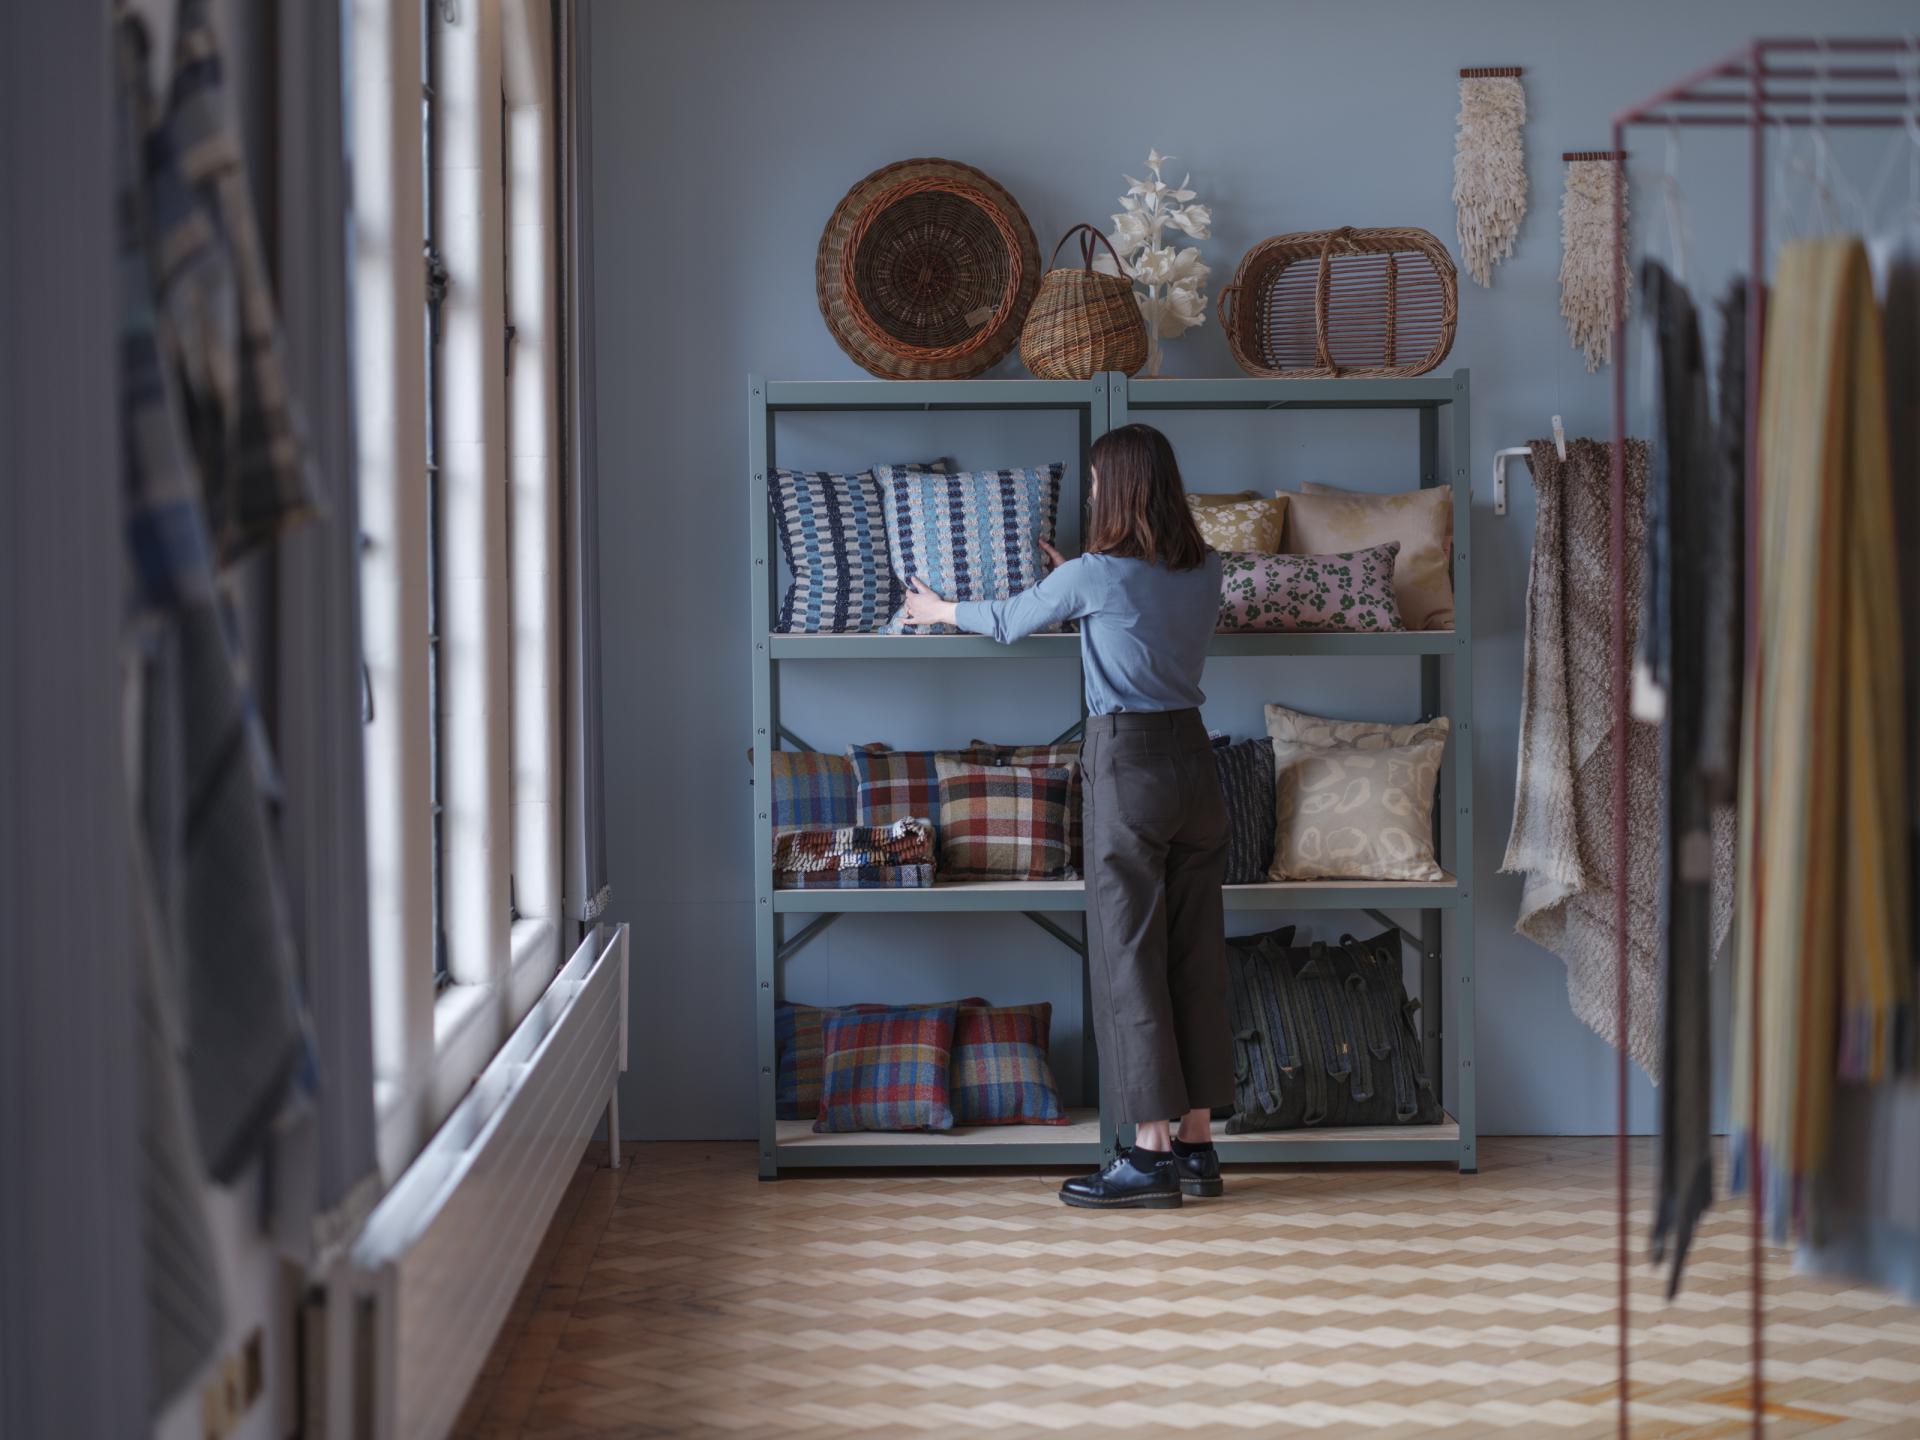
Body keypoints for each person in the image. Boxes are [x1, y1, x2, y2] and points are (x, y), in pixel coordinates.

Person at [901, 423, 1231, 1210]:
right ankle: (1197, 1145)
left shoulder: (1094, 575)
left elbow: (1014, 619)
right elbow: (1133, 608)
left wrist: (940, 608)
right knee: (1196, 957)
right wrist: (1071, 580)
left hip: (1131, 764)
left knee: (1129, 956)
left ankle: (1147, 1155)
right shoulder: (1207, 568)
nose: (1088, 495)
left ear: (1114, 491)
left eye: (1093, 485)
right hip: (1196, 760)